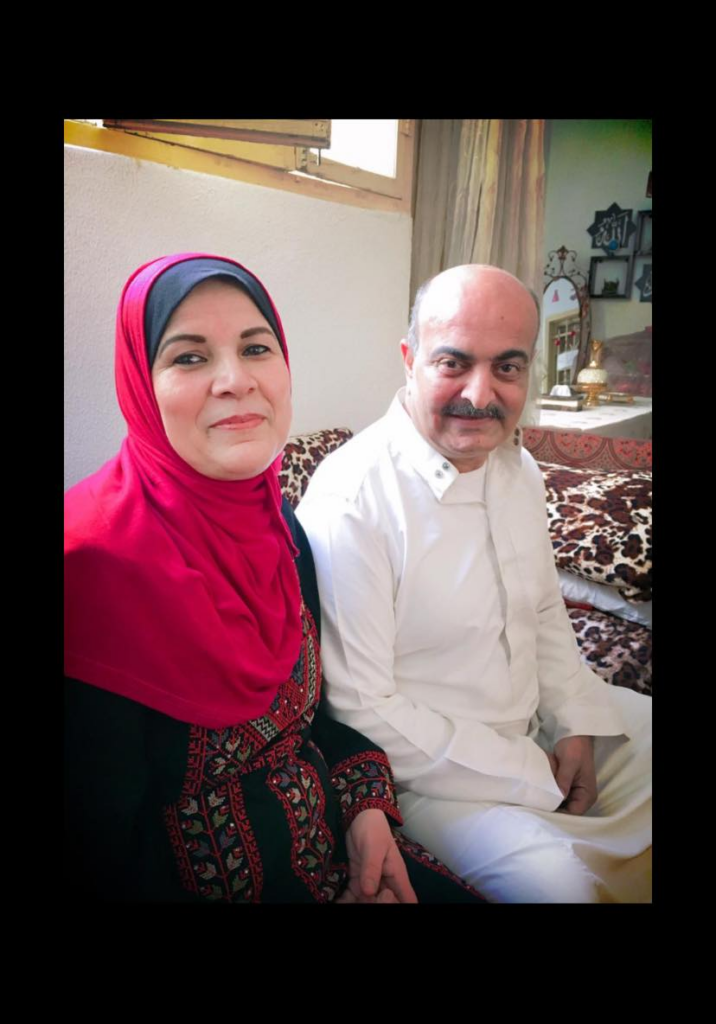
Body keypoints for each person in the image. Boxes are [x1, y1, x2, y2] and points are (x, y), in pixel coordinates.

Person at [64, 252, 486, 904]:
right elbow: (98, 849)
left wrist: (368, 812)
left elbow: (316, 723)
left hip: (341, 857)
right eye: (189, 357)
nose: (235, 380)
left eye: (256, 348)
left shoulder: (281, 528)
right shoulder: (89, 569)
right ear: (140, 385)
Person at [296, 264, 652, 903]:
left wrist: (573, 720)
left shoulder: (519, 470)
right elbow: (360, 708)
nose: (480, 394)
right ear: (410, 359)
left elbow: (543, 611)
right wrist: (530, 771)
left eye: (507, 367)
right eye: (453, 363)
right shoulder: (353, 498)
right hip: (435, 781)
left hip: (537, 732)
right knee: (563, 890)